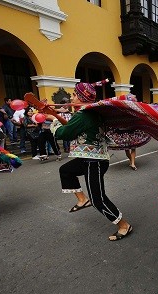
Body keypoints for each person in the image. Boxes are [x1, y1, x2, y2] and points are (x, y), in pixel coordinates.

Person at [47, 82, 133, 241]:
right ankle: (82, 199)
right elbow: (76, 127)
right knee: (66, 170)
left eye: (74, 94)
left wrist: (53, 120)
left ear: (80, 97)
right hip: (88, 159)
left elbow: (64, 133)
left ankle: (124, 225)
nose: (72, 97)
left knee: (98, 199)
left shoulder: (84, 115)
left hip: (95, 162)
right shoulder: (90, 112)